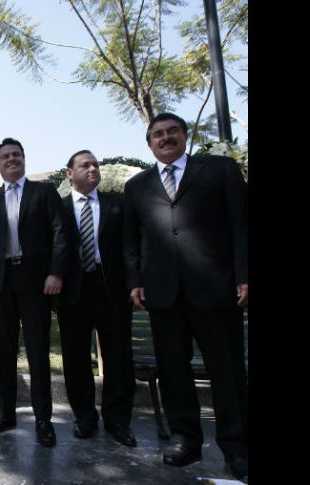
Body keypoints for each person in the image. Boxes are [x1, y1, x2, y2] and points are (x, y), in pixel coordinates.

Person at [123, 113, 248, 481]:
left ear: (184, 136)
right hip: (164, 295)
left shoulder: (220, 170)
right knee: (174, 372)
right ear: (150, 144)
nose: (165, 138)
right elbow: (131, 240)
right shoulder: (138, 186)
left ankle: (236, 445)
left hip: (215, 289)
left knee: (226, 372)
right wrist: (135, 281)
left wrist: (244, 275)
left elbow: (241, 225)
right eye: (158, 135)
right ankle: (185, 440)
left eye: (172, 132)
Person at [0, 138, 68, 447]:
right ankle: (5, 413)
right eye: (5, 157)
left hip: (35, 280)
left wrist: (55, 272)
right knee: (4, 350)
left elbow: (60, 233)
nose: (12, 159)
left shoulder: (45, 192)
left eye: (16, 155)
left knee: (38, 351)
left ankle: (43, 420)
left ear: (24, 159)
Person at [57, 150, 136, 447]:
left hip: (111, 288)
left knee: (118, 355)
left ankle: (118, 420)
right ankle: (85, 417)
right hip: (73, 291)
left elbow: (130, 246)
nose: (92, 169)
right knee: (75, 357)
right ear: (69, 173)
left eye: (95, 165)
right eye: (84, 165)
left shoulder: (118, 204)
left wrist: (133, 284)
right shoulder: (59, 208)